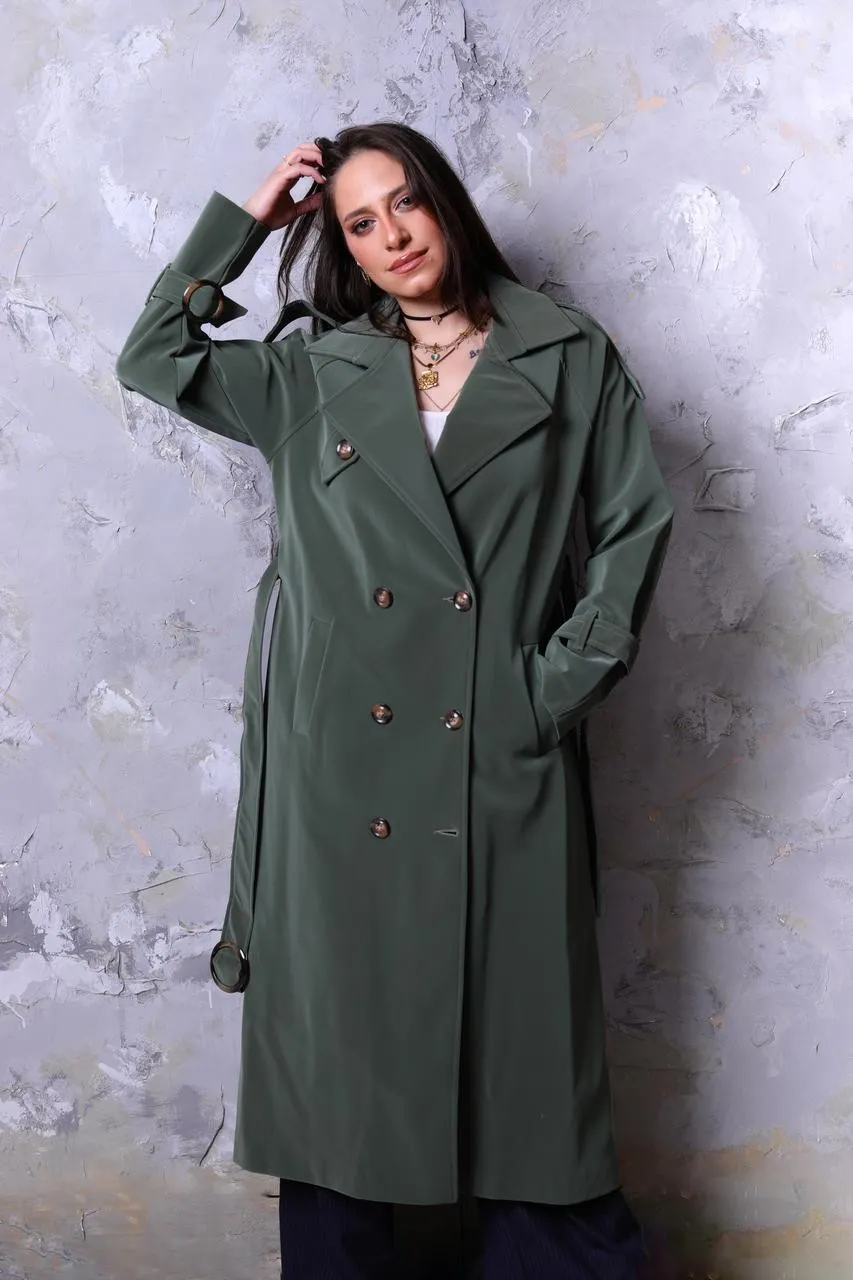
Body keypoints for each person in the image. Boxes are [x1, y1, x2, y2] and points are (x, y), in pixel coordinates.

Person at [115, 121, 674, 1279]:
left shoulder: (564, 352)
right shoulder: (312, 373)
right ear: (343, 245)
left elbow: (631, 524)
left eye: (406, 202)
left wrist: (550, 686)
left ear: (445, 203)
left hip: (500, 757)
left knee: (532, 1104)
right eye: (359, 222)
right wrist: (246, 226)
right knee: (341, 1106)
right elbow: (154, 356)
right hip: (341, 786)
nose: (391, 235)